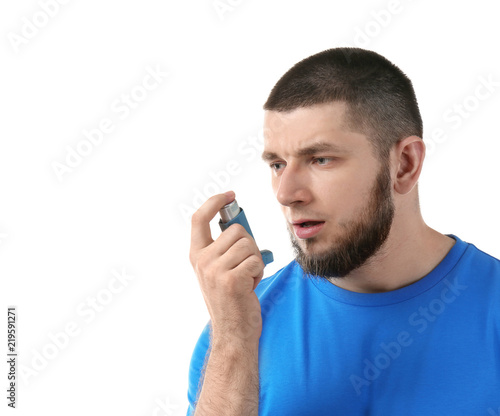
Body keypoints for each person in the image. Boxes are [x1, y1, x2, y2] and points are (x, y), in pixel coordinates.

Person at [186, 47, 500, 415]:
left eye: (320, 159)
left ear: (404, 165)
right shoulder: (234, 330)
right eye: (277, 164)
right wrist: (234, 339)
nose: (286, 193)